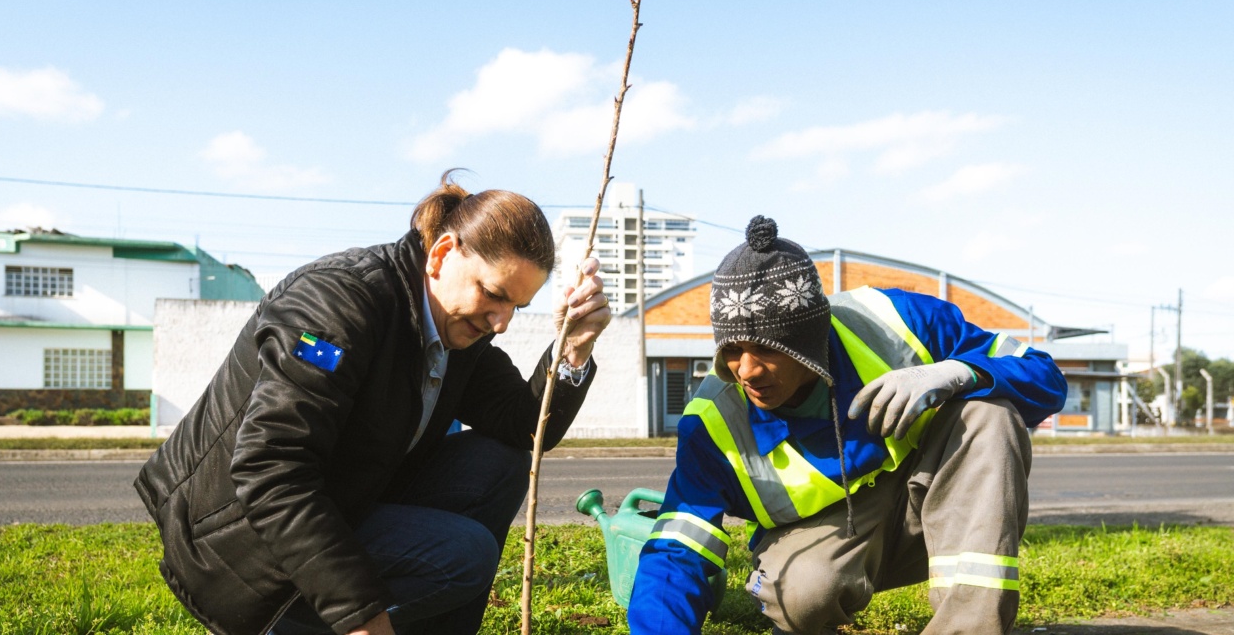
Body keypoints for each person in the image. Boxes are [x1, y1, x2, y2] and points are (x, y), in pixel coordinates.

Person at [135, 170, 611, 635]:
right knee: (464, 554)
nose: (501, 323)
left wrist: (574, 349)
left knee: (501, 463)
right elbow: (271, 471)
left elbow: (524, 425)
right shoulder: (335, 304)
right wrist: (362, 618)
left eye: (516, 307)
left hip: (344, 501)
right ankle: (288, 623)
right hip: (237, 540)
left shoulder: (459, 329)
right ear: (442, 254)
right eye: (493, 294)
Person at [627, 216, 1067, 635]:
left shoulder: (896, 321)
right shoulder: (711, 422)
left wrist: (959, 372)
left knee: (989, 413)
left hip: (933, 504)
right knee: (800, 597)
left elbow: (1045, 375)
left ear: (808, 343)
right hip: (828, 539)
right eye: (732, 349)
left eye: (767, 349)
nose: (747, 371)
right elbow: (678, 547)